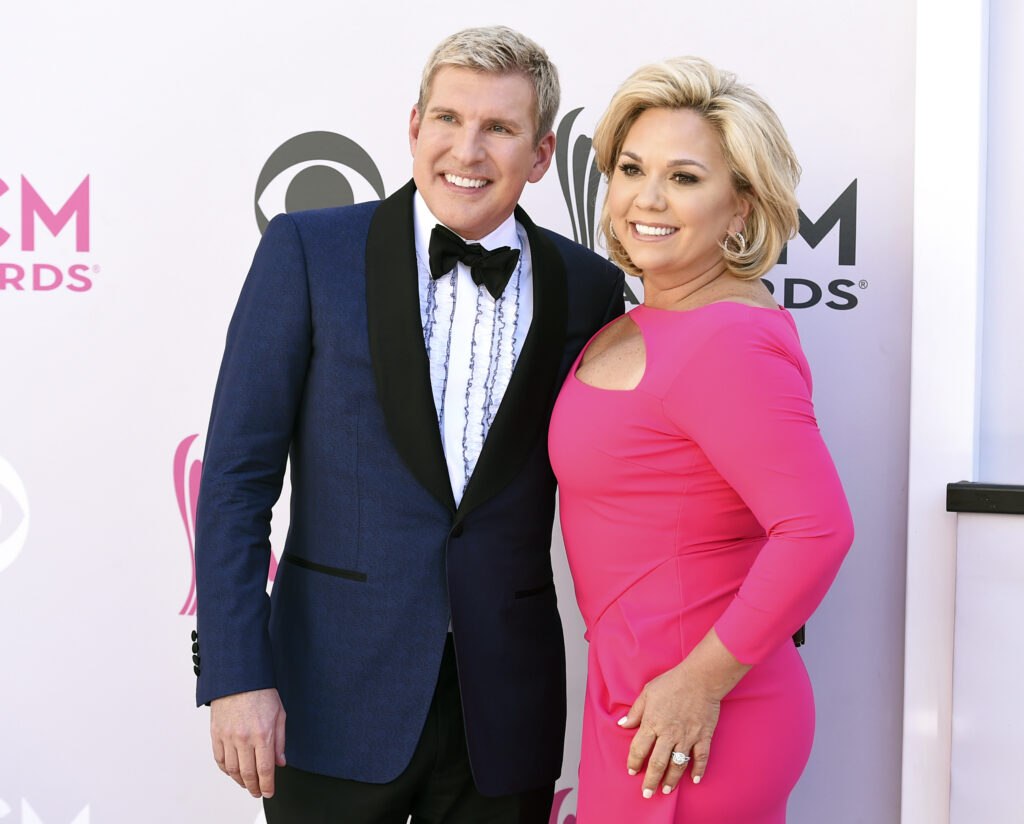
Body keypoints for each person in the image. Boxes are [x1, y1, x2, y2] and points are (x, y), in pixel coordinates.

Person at [191, 26, 625, 823]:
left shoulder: (589, 286)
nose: (469, 148)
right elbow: (234, 481)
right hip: (327, 700)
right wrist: (234, 673)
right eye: (449, 119)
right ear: (414, 124)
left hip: (506, 714)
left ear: (539, 155)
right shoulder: (308, 251)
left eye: (499, 127)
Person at [548, 57, 854, 823]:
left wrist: (698, 685)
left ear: (740, 209)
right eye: (631, 168)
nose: (647, 198)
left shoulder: (727, 341)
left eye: (684, 178)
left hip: (697, 716)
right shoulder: (637, 322)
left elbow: (817, 530)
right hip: (635, 698)